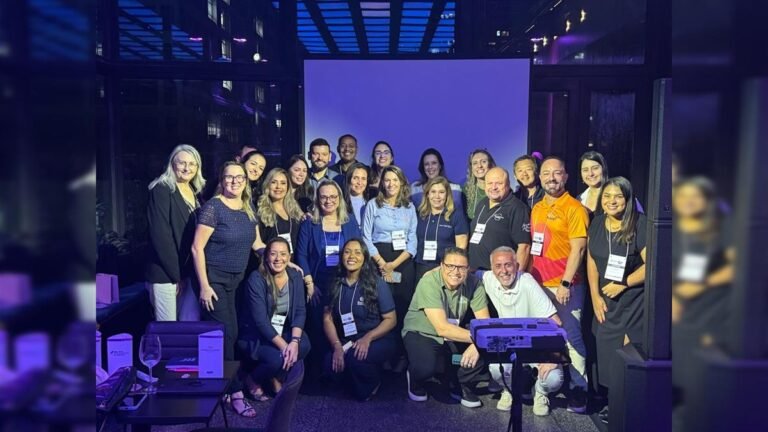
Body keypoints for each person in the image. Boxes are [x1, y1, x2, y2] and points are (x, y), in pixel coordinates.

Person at [191, 161, 261, 417]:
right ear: (221, 179)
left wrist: (283, 259)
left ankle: (222, 387)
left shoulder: (248, 208)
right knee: (226, 335)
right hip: (215, 282)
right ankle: (236, 394)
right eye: (229, 177)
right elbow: (197, 248)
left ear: (246, 181)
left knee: (233, 334)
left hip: (237, 282)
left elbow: (257, 244)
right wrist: (204, 286)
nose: (234, 181)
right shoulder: (213, 207)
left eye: (239, 177)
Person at [529, 155, 591, 414]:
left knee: (572, 338)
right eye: (546, 173)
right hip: (539, 284)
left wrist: (565, 283)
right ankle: (543, 387)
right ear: (540, 177)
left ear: (565, 176)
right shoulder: (537, 207)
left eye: (557, 173)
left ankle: (579, 390)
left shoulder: (574, 208)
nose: (551, 178)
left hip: (565, 286)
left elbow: (579, 249)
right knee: (542, 337)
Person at [586, 177, 647, 425]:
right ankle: (609, 400)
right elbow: (591, 260)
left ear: (628, 199)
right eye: (607, 196)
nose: (612, 201)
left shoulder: (640, 224)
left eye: (618, 196)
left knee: (625, 354)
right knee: (605, 350)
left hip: (632, 301)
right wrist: (594, 295)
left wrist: (625, 283)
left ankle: (622, 406)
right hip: (605, 300)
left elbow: (653, 264)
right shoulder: (597, 223)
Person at [402, 247, 490, 407]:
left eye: (461, 267)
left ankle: (460, 383)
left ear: (468, 268)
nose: (455, 272)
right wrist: (479, 339)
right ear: (442, 266)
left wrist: (477, 345)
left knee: (486, 349)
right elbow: (442, 328)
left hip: (454, 333)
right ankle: (415, 378)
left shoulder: (475, 284)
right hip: (423, 331)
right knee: (425, 367)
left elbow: (485, 323)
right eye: (450, 266)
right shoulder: (429, 282)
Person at [483, 246, 564, 415]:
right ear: (492, 269)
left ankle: (540, 392)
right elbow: (466, 272)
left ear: (517, 266)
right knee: (495, 367)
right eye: (498, 266)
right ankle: (509, 389)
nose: (503, 271)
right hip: (509, 344)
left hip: (535, 346)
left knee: (554, 378)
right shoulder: (488, 278)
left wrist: (553, 357)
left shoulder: (527, 282)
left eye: (508, 265)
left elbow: (556, 322)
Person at [296, 179, 362, 379]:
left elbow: (358, 251)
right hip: (317, 283)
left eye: (333, 196)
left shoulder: (349, 222)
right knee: (318, 327)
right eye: (324, 197)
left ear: (339, 198)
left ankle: (342, 369)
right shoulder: (310, 223)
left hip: (343, 283)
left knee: (344, 326)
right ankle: (319, 373)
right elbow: (301, 255)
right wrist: (309, 284)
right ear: (317, 199)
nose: (328, 201)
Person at [322, 238, 397, 400]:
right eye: (347, 252)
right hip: (348, 339)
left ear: (364, 257)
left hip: (376, 337)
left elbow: (391, 319)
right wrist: (337, 346)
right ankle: (355, 377)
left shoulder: (376, 283)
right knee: (329, 363)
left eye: (357, 252)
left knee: (356, 360)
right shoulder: (335, 283)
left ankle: (374, 381)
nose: (352, 256)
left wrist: (368, 338)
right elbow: (327, 319)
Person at [239, 237, 310, 400]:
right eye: (273, 254)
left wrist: (294, 342)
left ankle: (277, 377)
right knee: (276, 358)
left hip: (282, 329)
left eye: (283, 254)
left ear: (289, 257)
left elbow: (300, 311)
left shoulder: (295, 276)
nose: (278, 259)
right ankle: (252, 380)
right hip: (256, 334)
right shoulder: (256, 279)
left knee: (304, 344)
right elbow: (261, 322)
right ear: (266, 257)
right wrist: (285, 347)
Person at [361, 165, 417, 372]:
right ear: (382, 183)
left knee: (402, 307)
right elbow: (366, 237)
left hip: (402, 262)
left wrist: (394, 264)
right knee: (381, 307)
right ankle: (382, 353)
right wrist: (382, 263)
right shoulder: (373, 205)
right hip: (378, 259)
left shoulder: (409, 207)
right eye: (387, 180)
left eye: (395, 180)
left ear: (401, 183)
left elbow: (413, 240)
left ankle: (402, 355)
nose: (391, 184)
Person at [146, 144, 205, 321]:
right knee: (167, 329)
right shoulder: (162, 188)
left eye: (192, 164)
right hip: (166, 274)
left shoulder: (193, 191)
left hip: (187, 272)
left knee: (188, 327)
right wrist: (176, 275)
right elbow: (161, 236)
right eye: (182, 163)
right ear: (172, 164)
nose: (187, 168)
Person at [467, 167, 531, 272]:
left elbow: (524, 247)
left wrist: (516, 276)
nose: (494, 187)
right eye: (490, 183)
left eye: (499, 183)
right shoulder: (482, 203)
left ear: (508, 184)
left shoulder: (517, 208)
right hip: (473, 271)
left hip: (498, 274)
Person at [414, 176, 469, 281]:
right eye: (433, 192)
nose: (437, 196)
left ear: (447, 195)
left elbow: (460, 249)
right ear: (427, 194)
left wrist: (439, 269)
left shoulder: (456, 215)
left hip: (446, 269)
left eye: (441, 192)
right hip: (421, 267)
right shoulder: (420, 215)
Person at [257, 168, 304, 255]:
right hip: (271, 260)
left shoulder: (295, 209)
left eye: (283, 183)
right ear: (267, 185)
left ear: (287, 187)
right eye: (274, 182)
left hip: (294, 261)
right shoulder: (260, 211)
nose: (278, 187)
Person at [462, 149, 496, 220]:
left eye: (483, 162)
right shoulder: (465, 190)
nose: (479, 166)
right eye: (475, 163)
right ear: (471, 168)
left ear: (490, 165)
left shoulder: (500, 189)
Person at [342, 162, 371, 230]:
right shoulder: (340, 202)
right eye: (355, 178)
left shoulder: (372, 201)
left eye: (363, 179)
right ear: (349, 179)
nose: (359, 182)